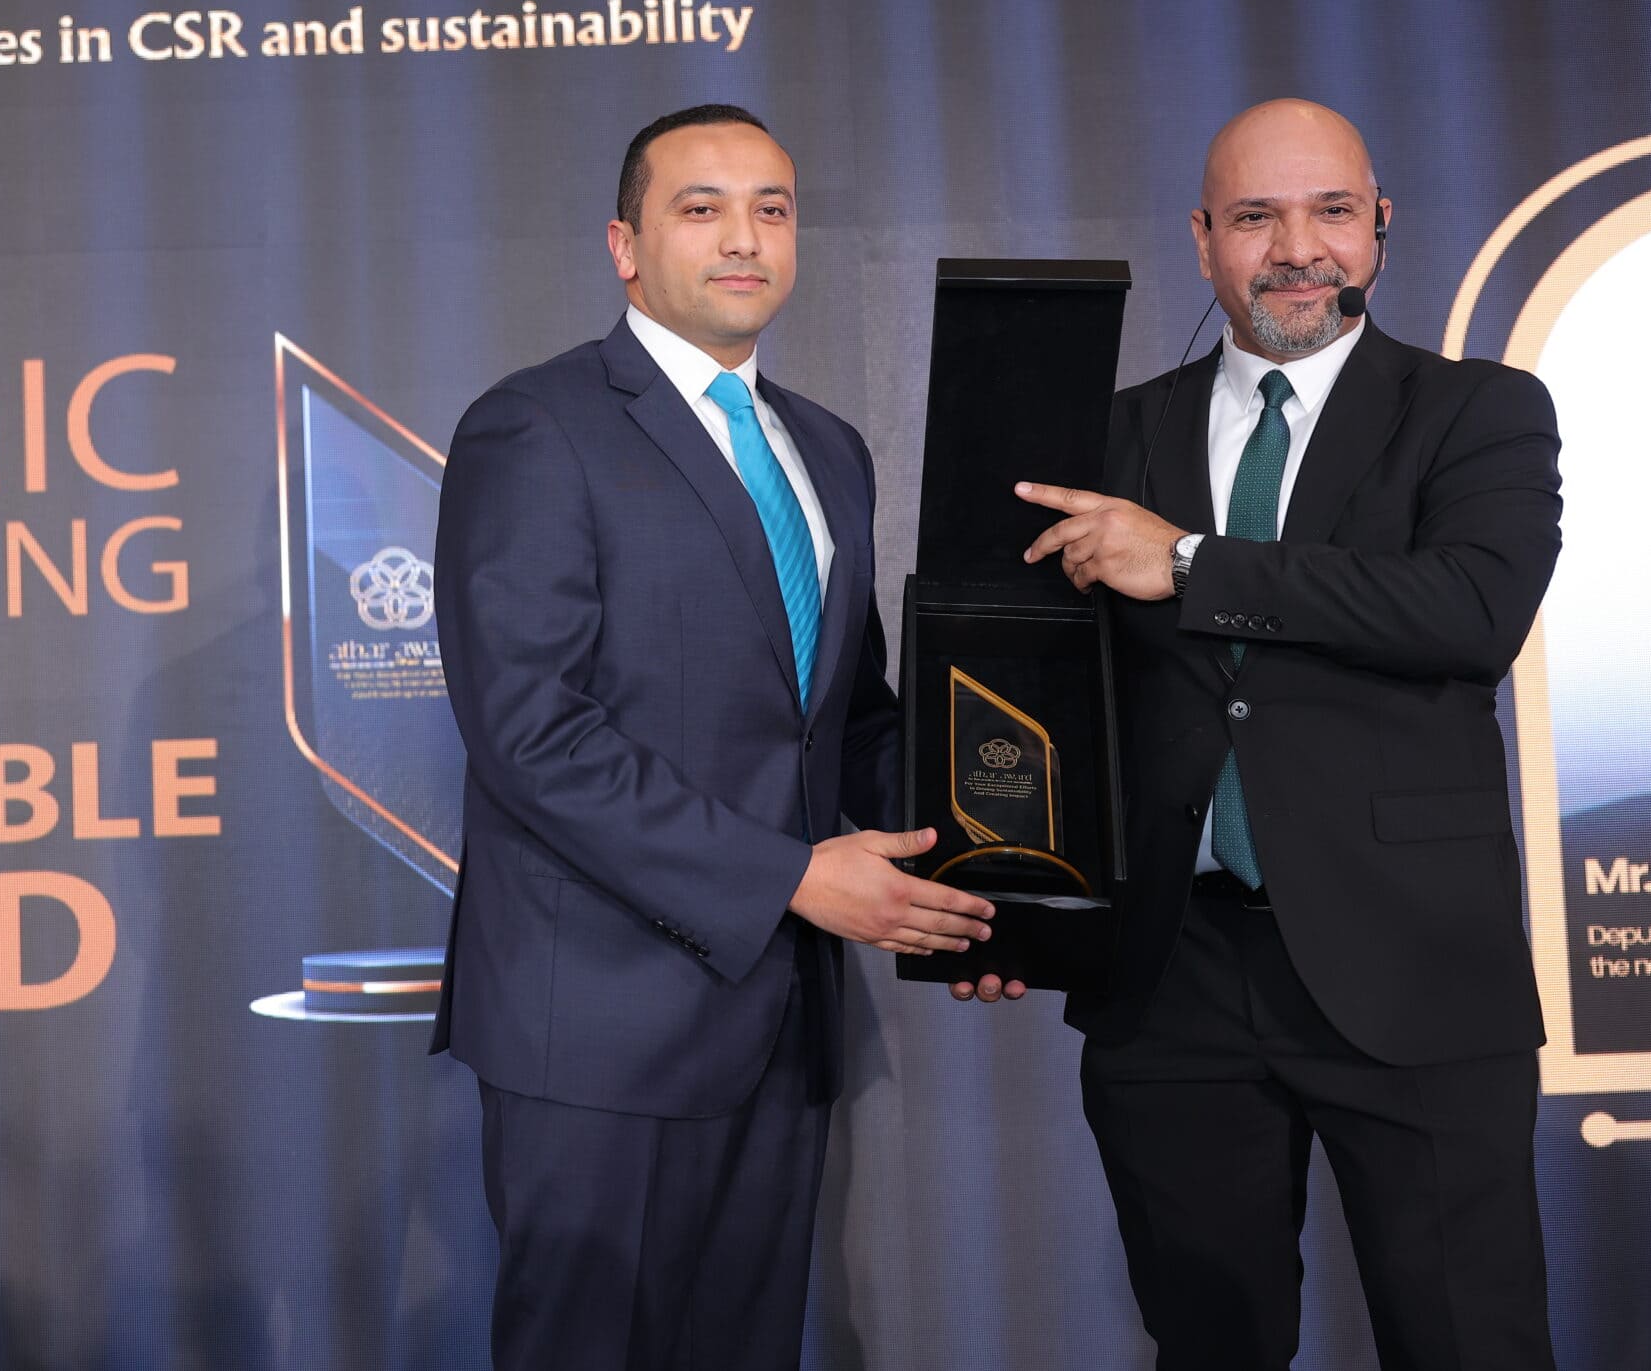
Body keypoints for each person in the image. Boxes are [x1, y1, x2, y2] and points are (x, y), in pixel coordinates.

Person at [960, 99, 1560, 1369]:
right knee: (1207, 1348)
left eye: (1330, 212)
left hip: (1413, 968)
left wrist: (1187, 562)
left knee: (1469, 1343)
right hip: (1170, 980)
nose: (1297, 249)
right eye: (1255, 218)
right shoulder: (1108, 435)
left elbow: (1469, 612)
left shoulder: (1478, 409)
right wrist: (1005, 898)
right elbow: (1039, 696)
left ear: (1380, 226)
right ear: (1201, 240)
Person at [430, 104, 994, 1371]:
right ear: (624, 246)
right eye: (702, 208)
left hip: (779, 1022)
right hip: (599, 1028)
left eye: (771, 209)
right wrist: (791, 877)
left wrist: (979, 883)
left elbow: (850, 720)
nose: (745, 237)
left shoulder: (827, 449)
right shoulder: (536, 427)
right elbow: (530, 732)